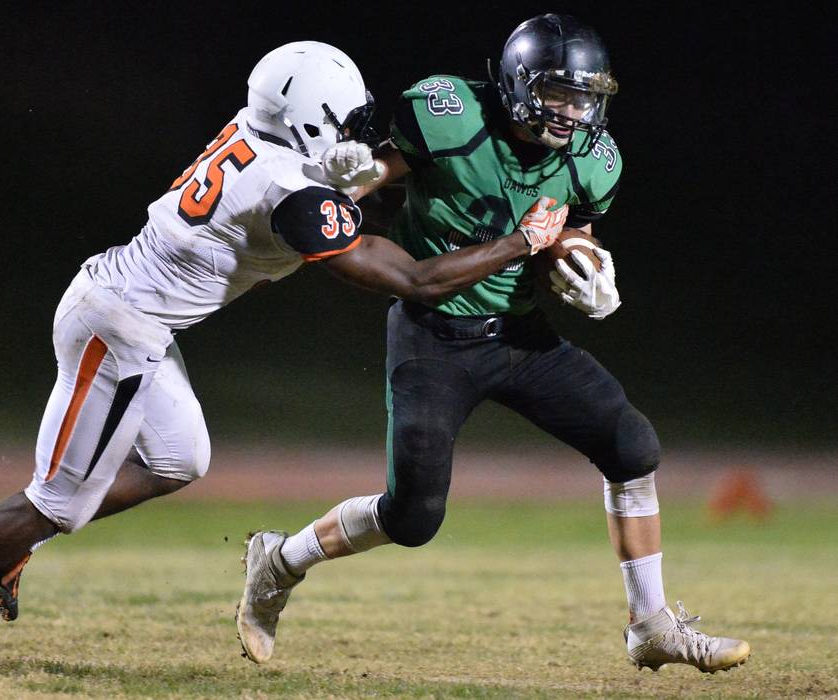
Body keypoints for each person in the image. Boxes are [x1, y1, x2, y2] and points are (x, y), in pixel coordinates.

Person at [0, 40, 570, 665]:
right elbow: (409, 278)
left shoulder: (259, 137)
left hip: (132, 318)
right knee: (56, 501)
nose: (359, 131)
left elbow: (323, 198)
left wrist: (343, 178)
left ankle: (13, 546)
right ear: (312, 117)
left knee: (180, 458)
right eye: (347, 120)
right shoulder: (289, 191)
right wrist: (520, 242)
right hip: (117, 326)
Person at [236, 15, 751, 674]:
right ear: (516, 85)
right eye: (559, 94)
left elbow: (570, 233)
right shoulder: (448, 112)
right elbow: (375, 179)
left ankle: (650, 625)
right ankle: (280, 560)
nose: (573, 112)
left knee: (632, 446)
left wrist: (587, 267)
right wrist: (349, 173)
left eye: (585, 97)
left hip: (518, 331)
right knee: (412, 517)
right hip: (432, 336)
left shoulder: (595, 160)